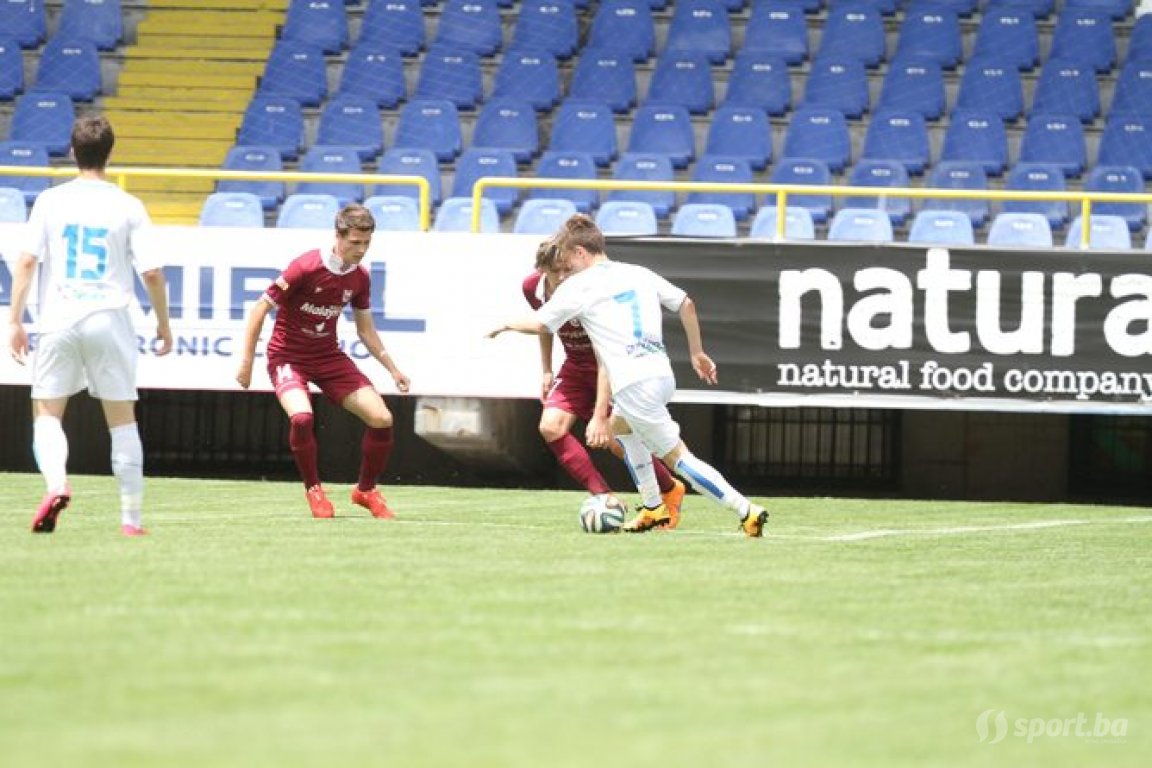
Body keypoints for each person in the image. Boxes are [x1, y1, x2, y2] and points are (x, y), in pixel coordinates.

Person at [488, 215, 768, 537]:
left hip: (634, 384)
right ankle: (653, 507)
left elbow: (540, 324)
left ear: (580, 252)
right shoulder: (637, 272)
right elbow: (687, 304)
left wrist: (506, 324)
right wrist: (697, 352)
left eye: (568, 262)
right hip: (660, 374)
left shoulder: (581, 285)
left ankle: (745, 510)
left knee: (679, 459)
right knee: (620, 429)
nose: (566, 272)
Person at [7, 115, 173, 536]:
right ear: (110, 153)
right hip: (108, 318)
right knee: (122, 420)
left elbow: (26, 262)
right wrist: (163, 324)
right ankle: (131, 521)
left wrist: (15, 321)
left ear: (72, 151)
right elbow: (152, 273)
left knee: (47, 413)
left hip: (59, 317)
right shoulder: (128, 205)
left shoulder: (51, 200)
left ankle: (57, 485)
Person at [236, 203, 410, 519]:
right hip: (288, 357)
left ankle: (365, 491)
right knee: (302, 418)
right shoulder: (304, 267)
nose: (361, 250)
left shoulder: (360, 277)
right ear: (338, 236)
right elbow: (259, 308)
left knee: (382, 418)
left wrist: (393, 368)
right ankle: (314, 490)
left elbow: (365, 330)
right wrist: (246, 362)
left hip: (328, 357)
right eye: (355, 242)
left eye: (366, 243)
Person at [523, 240, 687, 525]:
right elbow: (544, 325)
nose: (562, 277)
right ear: (541, 270)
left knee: (615, 439)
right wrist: (546, 369)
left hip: (609, 365)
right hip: (575, 366)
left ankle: (670, 489)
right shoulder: (531, 288)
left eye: (566, 269)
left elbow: (603, 356)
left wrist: (599, 416)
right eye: (554, 271)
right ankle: (604, 498)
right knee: (550, 427)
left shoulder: (588, 287)